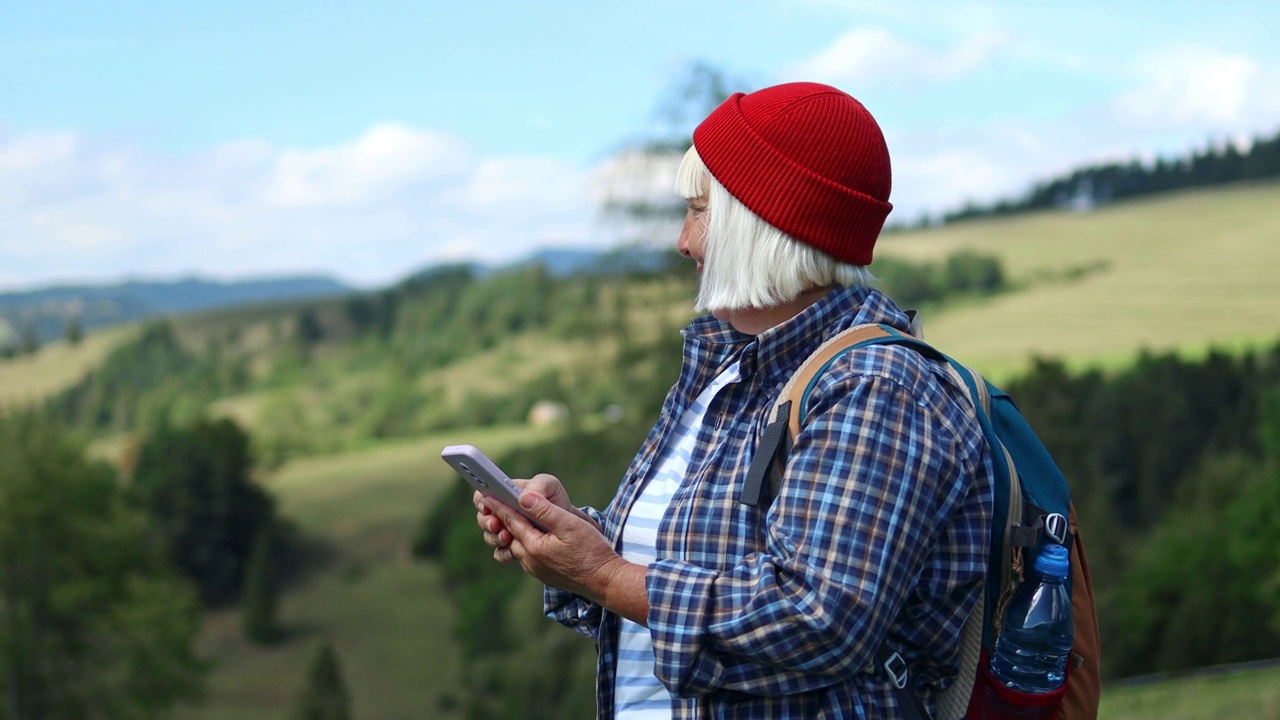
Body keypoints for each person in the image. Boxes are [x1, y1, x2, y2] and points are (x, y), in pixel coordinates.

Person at [474, 81, 995, 720]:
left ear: (762, 224)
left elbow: (817, 619)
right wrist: (578, 542)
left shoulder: (875, 388)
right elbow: (688, 566)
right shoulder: (724, 372)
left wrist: (604, 576)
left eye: (699, 210)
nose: (683, 240)